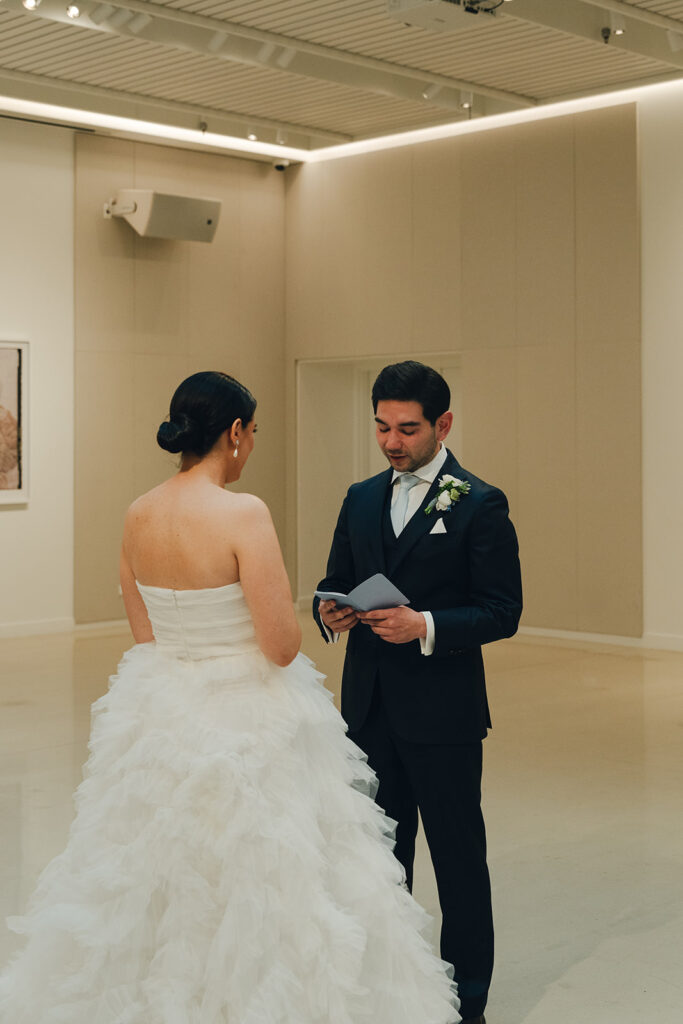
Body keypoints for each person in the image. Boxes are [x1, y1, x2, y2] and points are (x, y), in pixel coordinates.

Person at [0, 370, 460, 1023]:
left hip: (162, 708)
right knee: (266, 870)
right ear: (236, 433)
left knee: (166, 866)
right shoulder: (242, 513)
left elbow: (144, 633)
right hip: (247, 713)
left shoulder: (139, 512)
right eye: (253, 434)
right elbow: (278, 644)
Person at [314, 360, 523, 1024]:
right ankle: (390, 991)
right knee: (380, 862)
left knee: (459, 866)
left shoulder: (479, 503)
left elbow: (501, 611)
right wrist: (328, 613)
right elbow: (334, 579)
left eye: (407, 429)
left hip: (444, 716)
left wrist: (424, 625)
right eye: (381, 426)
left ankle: (467, 1005)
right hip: (369, 709)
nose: (391, 442)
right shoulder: (360, 496)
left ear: (443, 424)